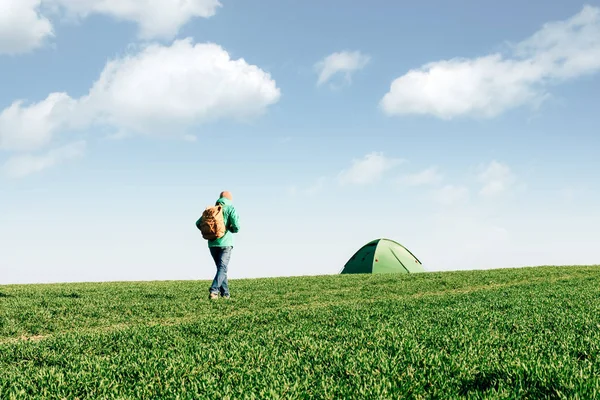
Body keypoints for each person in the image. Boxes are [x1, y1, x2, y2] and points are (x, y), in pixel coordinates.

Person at [196, 191, 240, 300]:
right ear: (230, 199)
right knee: (222, 268)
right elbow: (236, 227)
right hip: (226, 243)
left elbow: (198, 223)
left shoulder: (211, 210)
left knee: (221, 269)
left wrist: (208, 232)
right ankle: (214, 291)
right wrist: (231, 229)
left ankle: (225, 294)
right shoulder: (230, 208)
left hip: (212, 244)